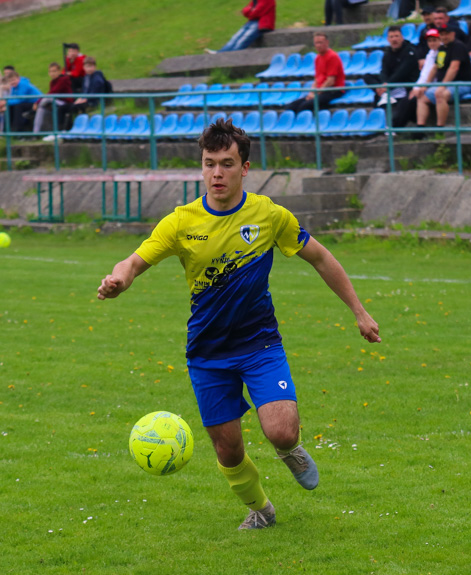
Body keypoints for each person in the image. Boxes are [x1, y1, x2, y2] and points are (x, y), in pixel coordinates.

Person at [97, 118, 380, 530]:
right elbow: (136, 259)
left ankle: (291, 449)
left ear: (244, 168)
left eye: (227, 164)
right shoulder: (181, 222)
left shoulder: (268, 215)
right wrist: (120, 278)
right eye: (209, 163)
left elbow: (320, 257)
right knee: (228, 450)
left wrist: (360, 311)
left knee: (281, 431)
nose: (217, 173)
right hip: (208, 353)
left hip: (259, 344)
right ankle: (261, 509)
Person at [363, 26, 420, 128]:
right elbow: (384, 71)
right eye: (391, 37)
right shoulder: (387, 53)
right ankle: (383, 94)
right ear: (388, 39)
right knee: (367, 77)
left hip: (404, 86)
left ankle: (393, 126)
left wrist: (386, 85)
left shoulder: (410, 52)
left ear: (402, 37)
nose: (394, 39)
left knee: (406, 103)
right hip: (389, 86)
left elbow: (402, 72)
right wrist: (383, 84)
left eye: (397, 36)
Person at [427, 24, 471, 128]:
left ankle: (440, 128)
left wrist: (442, 86)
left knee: (441, 95)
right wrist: (425, 85)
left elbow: (454, 68)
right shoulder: (442, 48)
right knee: (422, 97)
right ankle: (420, 128)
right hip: (446, 84)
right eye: (441, 34)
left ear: (453, 34)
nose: (444, 37)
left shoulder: (458, 46)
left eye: (446, 34)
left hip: (462, 83)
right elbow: (436, 67)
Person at [286, 33, 346, 113]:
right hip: (321, 90)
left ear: (327, 43)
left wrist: (316, 93)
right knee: (291, 107)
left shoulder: (332, 57)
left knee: (304, 107)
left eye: (320, 42)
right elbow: (317, 79)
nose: (318, 45)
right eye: (316, 43)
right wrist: (311, 93)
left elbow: (330, 81)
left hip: (333, 90)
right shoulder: (317, 58)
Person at [208, 0, 276, 53]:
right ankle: (221, 52)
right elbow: (244, 11)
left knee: (243, 39)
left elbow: (256, 12)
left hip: (262, 24)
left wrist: (250, 10)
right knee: (235, 37)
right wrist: (250, 10)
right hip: (252, 21)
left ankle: (232, 55)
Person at [411, 28, 443, 130]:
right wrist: (416, 87)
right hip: (429, 85)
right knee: (409, 99)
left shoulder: (442, 52)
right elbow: (424, 73)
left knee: (419, 98)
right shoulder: (430, 54)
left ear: (440, 40)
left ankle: (421, 129)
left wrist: (423, 87)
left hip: (438, 85)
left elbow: (435, 71)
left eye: (434, 40)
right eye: (429, 41)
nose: (432, 43)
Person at [33, 62, 74, 136]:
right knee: (41, 109)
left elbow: (53, 92)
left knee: (47, 100)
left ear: (59, 71)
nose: (52, 73)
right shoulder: (52, 82)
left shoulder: (64, 79)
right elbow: (50, 93)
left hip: (65, 102)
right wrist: (38, 103)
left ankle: (57, 132)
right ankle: (35, 133)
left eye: (54, 71)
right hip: (55, 101)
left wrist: (38, 102)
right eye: (50, 71)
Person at [67, 56, 109, 121]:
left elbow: (94, 94)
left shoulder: (97, 79)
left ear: (94, 67)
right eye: (87, 66)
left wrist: (83, 100)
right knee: (69, 107)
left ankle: (75, 126)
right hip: (87, 100)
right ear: (84, 67)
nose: (89, 69)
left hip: (94, 102)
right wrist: (80, 99)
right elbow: (84, 92)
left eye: (90, 66)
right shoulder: (86, 77)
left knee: (75, 107)